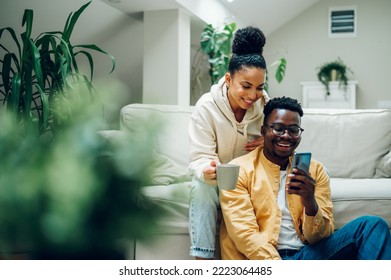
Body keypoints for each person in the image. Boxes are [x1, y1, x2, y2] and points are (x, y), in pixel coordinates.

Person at [219, 96, 391, 260]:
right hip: (264, 262)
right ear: (263, 131)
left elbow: (321, 237)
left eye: (293, 130)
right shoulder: (238, 169)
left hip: (307, 255)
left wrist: (310, 202)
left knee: (372, 225)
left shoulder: (315, 171)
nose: (286, 135)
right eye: (278, 128)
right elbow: (245, 234)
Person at [187, 26, 270, 259]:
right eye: (246, 86)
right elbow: (198, 157)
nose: (253, 95)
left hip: (251, 181)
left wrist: (269, 143)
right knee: (201, 188)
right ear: (228, 79)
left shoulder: (265, 106)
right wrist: (206, 170)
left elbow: (283, 144)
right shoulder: (206, 107)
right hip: (217, 182)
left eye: (259, 87)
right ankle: (201, 261)